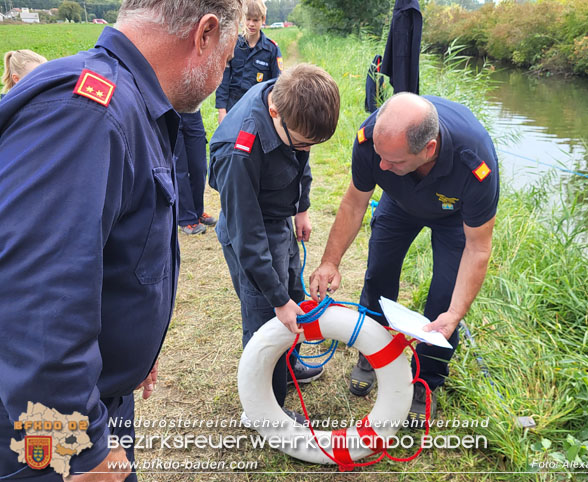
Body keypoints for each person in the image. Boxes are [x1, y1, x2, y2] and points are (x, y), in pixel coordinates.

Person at [0, 0, 241, 480]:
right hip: (49, 432)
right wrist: (79, 449)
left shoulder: (132, 104)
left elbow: (111, 253)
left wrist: (132, 351)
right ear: (206, 34)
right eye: (228, 57)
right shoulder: (89, 113)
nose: (223, 71)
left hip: (95, 393)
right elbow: (36, 299)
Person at [309, 92, 499, 427]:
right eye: (380, 157)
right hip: (398, 201)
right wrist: (330, 261)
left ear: (429, 149)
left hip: (454, 217)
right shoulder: (374, 142)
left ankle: (427, 381)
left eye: (392, 161)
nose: (381, 165)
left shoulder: (474, 162)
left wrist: (455, 313)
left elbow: (478, 247)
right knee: (379, 276)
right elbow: (355, 202)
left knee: (443, 302)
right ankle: (372, 353)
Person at [209, 64, 340, 420]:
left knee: (294, 297)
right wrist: (277, 300)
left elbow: (300, 156)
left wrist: (301, 208)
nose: (306, 148)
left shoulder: (289, 97)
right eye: (302, 141)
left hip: (280, 215)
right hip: (250, 226)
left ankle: (290, 366)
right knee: (267, 318)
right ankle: (265, 410)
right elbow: (247, 237)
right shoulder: (240, 153)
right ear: (273, 113)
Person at [215, 0, 282, 124]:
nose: (251, 24)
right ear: (242, 18)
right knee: (232, 142)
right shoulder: (232, 45)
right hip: (234, 106)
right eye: (248, 19)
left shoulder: (271, 49)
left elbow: (277, 84)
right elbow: (223, 80)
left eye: (255, 20)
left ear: (263, 19)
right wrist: (222, 111)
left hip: (259, 108)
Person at [175, 110, 218, 235]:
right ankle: (186, 219)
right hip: (170, 110)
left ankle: (198, 212)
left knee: (199, 167)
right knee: (179, 170)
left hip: (192, 112)